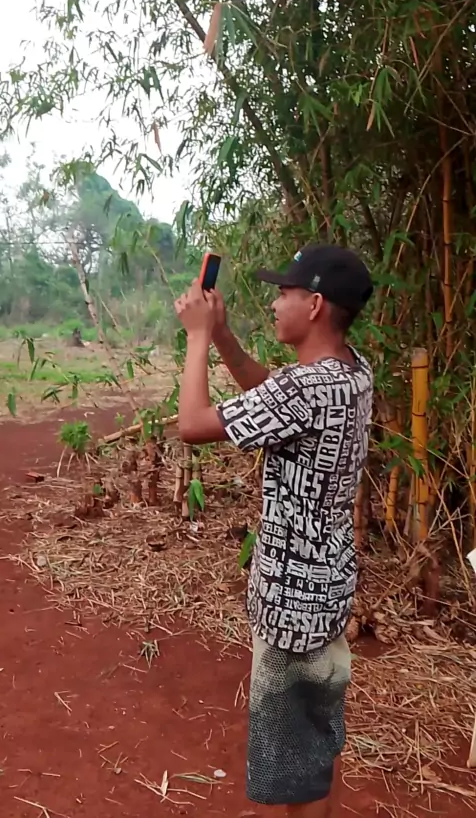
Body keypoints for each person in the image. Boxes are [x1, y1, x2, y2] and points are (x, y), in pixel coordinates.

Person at [174, 242, 374, 818]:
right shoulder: (350, 372)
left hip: (292, 601)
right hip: (326, 585)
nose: (274, 304)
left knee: (294, 762)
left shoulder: (307, 388)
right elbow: (271, 398)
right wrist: (222, 337)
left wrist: (196, 337)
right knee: (313, 738)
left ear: (314, 305)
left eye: (283, 293)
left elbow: (192, 424)